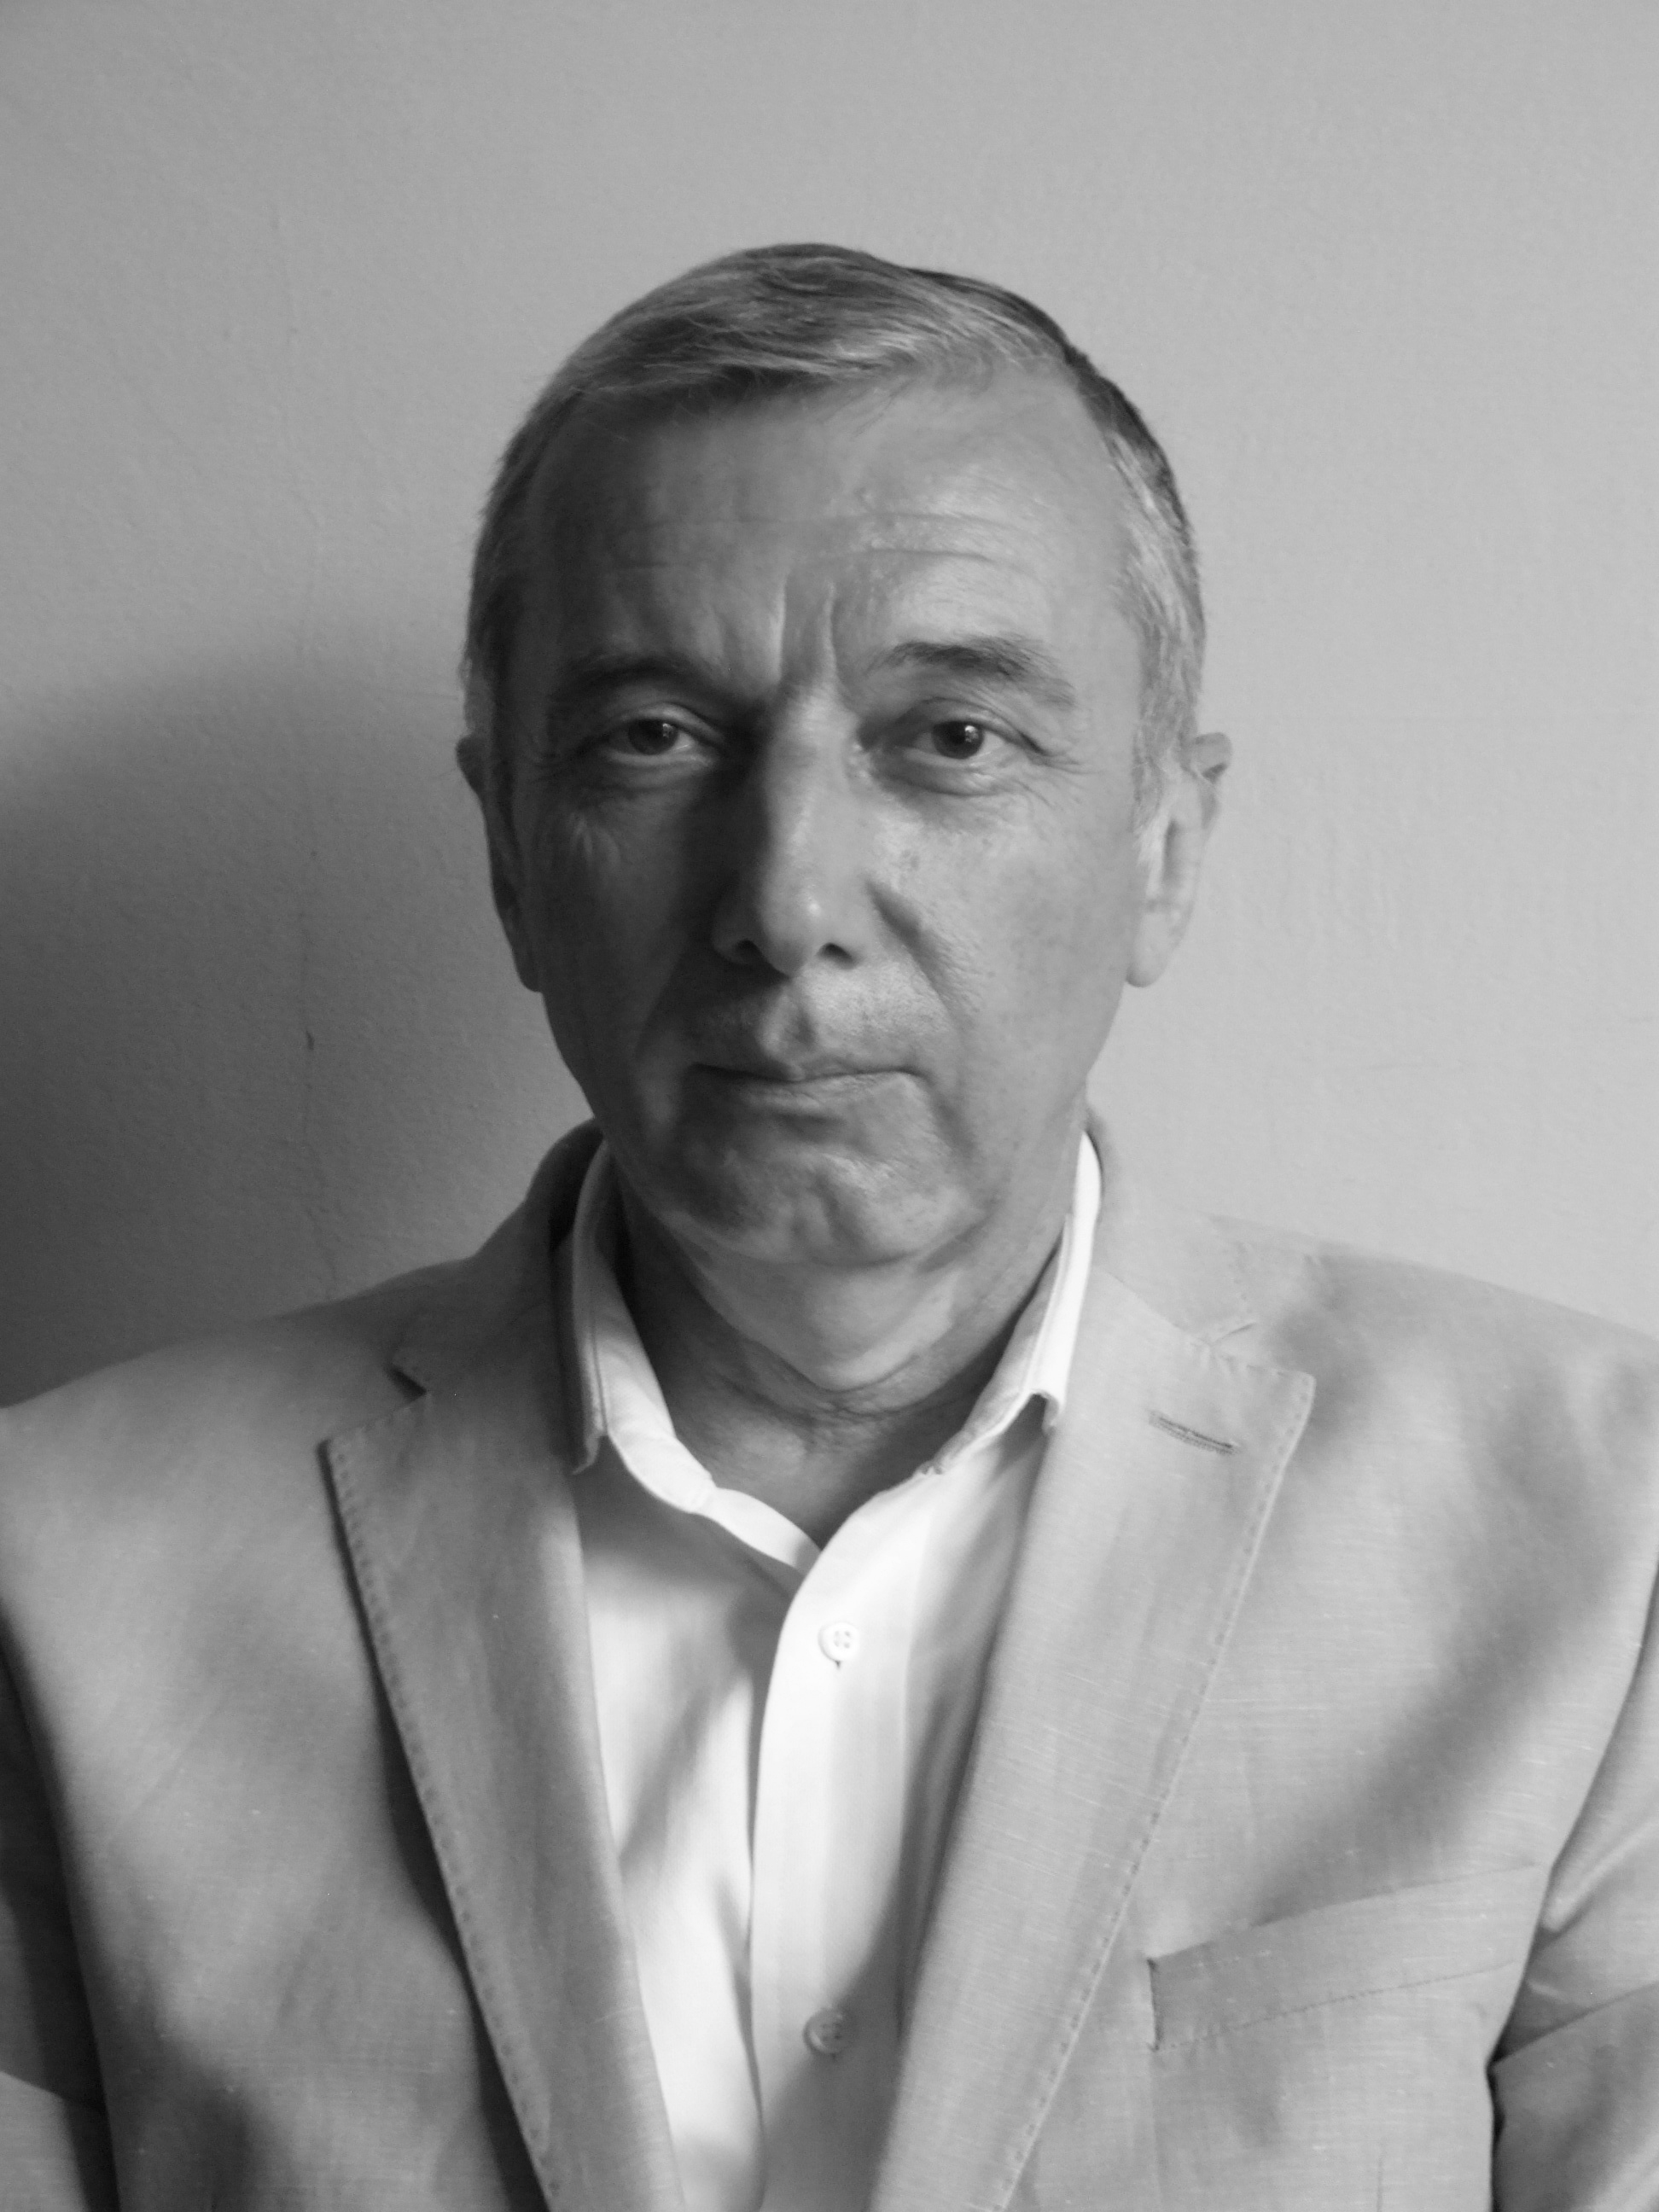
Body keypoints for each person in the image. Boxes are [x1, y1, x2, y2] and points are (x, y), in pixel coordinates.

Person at [1, 242, 1655, 2212]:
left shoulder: (1605, 1538)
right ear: (510, 854)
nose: (787, 902)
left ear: (1165, 846)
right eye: (652, 738)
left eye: (950, 737)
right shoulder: (53, 1576)